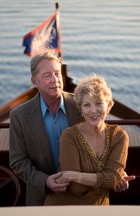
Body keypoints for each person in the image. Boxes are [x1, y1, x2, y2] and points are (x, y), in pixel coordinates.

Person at [9, 50, 133, 206]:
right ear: (35, 81)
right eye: (47, 76)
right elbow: (18, 161)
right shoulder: (19, 116)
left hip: (87, 196)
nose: (55, 80)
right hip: (42, 196)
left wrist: (115, 173)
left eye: (57, 73)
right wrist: (45, 181)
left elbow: (100, 138)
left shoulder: (81, 104)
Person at [44, 75, 129, 205]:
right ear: (81, 109)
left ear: (109, 106)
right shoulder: (69, 136)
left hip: (99, 209)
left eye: (99, 103)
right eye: (87, 105)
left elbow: (112, 179)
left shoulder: (119, 136)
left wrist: (73, 176)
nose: (93, 110)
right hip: (64, 208)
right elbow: (77, 188)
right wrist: (109, 178)